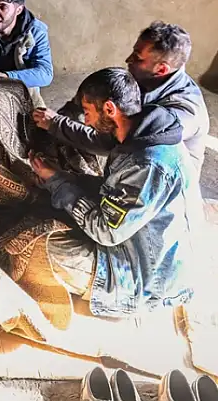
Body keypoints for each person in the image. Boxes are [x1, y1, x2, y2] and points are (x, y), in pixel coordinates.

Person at [30, 68, 193, 317]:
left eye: (87, 113)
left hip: (148, 278)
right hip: (139, 239)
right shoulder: (142, 127)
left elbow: (105, 232)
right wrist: (65, 177)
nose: (85, 121)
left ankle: (128, 301)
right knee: (56, 203)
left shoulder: (148, 165)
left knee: (39, 250)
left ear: (109, 109)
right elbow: (94, 142)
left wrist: (59, 182)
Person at [33, 21, 210, 176]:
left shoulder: (178, 114)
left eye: (137, 58)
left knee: (64, 182)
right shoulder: (145, 78)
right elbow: (84, 104)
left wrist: (57, 124)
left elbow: (112, 143)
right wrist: (61, 120)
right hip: (130, 158)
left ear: (161, 69)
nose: (128, 60)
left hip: (158, 189)